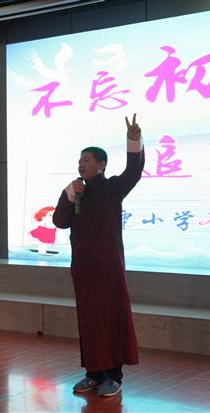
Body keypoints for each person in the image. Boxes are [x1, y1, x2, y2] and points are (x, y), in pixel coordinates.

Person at [52, 114, 145, 397]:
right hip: (83, 269)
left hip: (108, 269)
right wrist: (69, 194)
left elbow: (134, 172)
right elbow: (59, 221)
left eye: (87, 160)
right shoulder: (76, 191)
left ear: (101, 165)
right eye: (80, 161)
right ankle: (93, 374)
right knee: (89, 321)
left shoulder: (112, 188)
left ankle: (114, 376)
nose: (81, 165)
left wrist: (133, 141)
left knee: (110, 319)